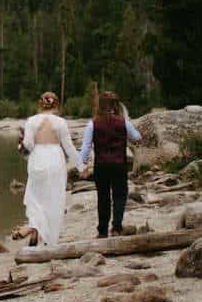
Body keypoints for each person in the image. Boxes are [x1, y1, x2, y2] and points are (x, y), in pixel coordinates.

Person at [77, 90, 142, 238]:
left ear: (100, 106)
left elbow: (86, 147)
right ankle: (117, 228)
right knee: (120, 196)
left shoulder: (92, 124)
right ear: (115, 105)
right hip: (119, 164)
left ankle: (102, 231)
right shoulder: (123, 122)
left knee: (103, 197)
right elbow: (137, 138)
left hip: (101, 166)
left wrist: (82, 165)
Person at [17, 91, 78, 246]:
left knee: (35, 197)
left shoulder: (31, 121)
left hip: (37, 159)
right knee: (53, 198)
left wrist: (20, 146)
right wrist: (81, 165)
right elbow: (69, 147)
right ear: (56, 105)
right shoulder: (60, 123)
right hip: (55, 160)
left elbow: (28, 145)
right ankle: (48, 237)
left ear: (40, 104)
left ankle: (35, 231)